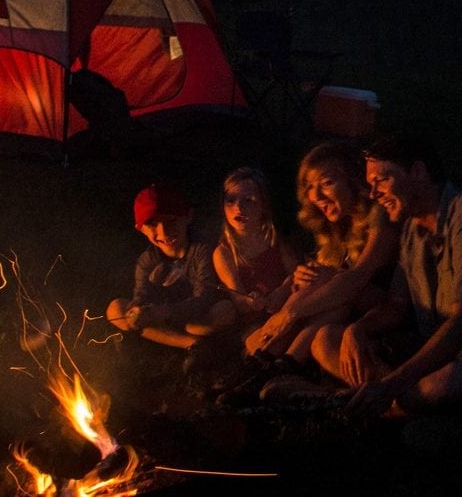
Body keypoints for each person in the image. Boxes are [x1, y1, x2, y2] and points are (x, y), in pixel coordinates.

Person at [310, 130, 462, 421]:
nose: (374, 194)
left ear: (417, 171)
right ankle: (401, 407)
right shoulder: (411, 229)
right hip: (441, 354)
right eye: (370, 184)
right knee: (326, 340)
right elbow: (396, 305)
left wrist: (390, 383)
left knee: (446, 383)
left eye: (382, 180)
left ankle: (357, 406)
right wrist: (359, 330)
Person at [215, 142, 399, 405]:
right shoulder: (337, 227)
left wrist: (289, 315)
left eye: (326, 182)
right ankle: (277, 364)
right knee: (318, 278)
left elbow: (357, 279)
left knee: (331, 281)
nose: (316, 196)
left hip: (382, 311)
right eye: (310, 188)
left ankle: (271, 363)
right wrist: (299, 278)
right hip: (338, 313)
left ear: (352, 179)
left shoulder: (380, 215)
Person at [105, 182, 237, 373]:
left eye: (170, 221)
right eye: (152, 224)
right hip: (167, 320)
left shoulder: (202, 250)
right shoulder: (147, 260)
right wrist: (136, 310)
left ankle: (189, 340)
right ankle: (193, 345)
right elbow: (140, 294)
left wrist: (164, 311)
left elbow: (205, 297)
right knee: (115, 309)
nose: (163, 232)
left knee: (225, 310)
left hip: (197, 317)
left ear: (187, 217)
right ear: (140, 228)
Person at [212, 166, 298, 339]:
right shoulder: (224, 252)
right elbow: (237, 298)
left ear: (263, 205)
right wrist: (251, 301)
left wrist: (281, 292)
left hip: (288, 309)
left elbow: (296, 273)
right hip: (254, 321)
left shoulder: (275, 239)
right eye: (231, 200)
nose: (238, 207)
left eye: (248, 200)